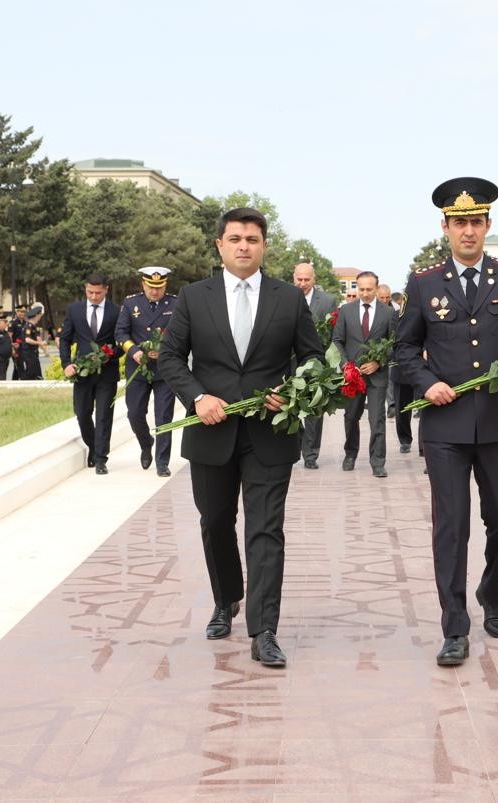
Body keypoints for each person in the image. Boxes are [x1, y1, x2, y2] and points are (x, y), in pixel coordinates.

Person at [158, 207, 324, 669]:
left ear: (264, 245)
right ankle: (226, 597)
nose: (244, 246)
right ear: (220, 245)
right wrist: (197, 398)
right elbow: (170, 357)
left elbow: (312, 358)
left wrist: (292, 392)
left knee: (265, 529)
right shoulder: (194, 297)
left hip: (270, 434)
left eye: (252, 239)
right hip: (211, 432)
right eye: (235, 239)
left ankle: (264, 630)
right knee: (215, 522)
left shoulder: (288, 299)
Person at [395, 177, 498, 667]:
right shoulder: (423, 284)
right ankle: (454, 628)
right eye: (459, 223)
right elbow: (404, 349)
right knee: (451, 527)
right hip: (445, 428)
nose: (468, 231)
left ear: (487, 225)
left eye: (476, 222)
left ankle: (491, 590)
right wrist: (426, 382)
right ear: (445, 227)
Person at [116, 266, 178, 477]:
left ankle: (162, 462)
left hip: (164, 369)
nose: (155, 291)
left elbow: (182, 333)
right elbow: (120, 332)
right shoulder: (130, 303)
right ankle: (146, 442)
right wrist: (133, 351)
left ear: (165, 286)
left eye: (159, 287)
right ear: (143, 284)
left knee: (164, 416)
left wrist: (166, 350)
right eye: (151, 287)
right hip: (138, 368)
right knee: (134, 413)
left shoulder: (175, 303)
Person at [334, 271, 394, 478]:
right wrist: (346, 366)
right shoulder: (346, 311)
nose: (365, 293)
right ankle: (350, 454)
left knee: (377, 419)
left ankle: (378, 462)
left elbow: (395, 343)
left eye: (369, 289)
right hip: (353, 377)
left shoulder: (388, 313)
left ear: (376, 288)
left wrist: (379, 362)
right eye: (361, 289)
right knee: (351, 417)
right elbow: (337, 341)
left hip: (377, 376)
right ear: (356, 288)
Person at [60, 272, 121, 474]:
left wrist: (110, 354)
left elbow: (122, 341)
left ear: (106, 290)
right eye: (90, 292)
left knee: (104, 416)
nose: (94, 296)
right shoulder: (74, 310)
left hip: (107, 373)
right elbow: (65, 339)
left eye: (98, 293)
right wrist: (66, 364)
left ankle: (101, 459)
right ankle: (93, 447)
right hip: (82, 373)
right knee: (82, 413)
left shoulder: (116, 311)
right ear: (85, 289)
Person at [293, 262, 337, 470]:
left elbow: (334, 333)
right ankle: (298, 443)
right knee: (290, 408)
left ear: (314, 279)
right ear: (293, 278)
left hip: (316, 362)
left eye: (307, 279)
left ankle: (311, 454)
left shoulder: (328, 301)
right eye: (299, 279)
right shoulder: (284, 297)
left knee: (314, 409)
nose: (302, 283)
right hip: (288, 362)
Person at [21, 305, 46, 380]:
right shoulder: (28, 326)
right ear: (36, 316)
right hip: (28, 352)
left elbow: (38, 338)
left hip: (34, 353)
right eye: (40, 315)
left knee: (37, 372)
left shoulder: (34, 327)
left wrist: (44, 349)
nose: (40, 317)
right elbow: (27, 340)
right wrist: (40, 343)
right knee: (31, 372)